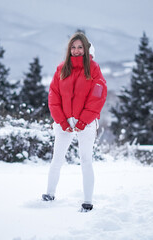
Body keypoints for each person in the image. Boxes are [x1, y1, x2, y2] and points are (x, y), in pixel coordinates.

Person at [42, 32, 107, 212]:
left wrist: (83, 121)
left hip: (85, 123)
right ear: (69, 49)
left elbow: (98, 96)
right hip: (64, 123)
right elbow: (53, 97)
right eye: (73, 47)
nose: (76, 50)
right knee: (57, 159)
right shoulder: (61, 69)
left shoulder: (93, 69)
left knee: (86, 160)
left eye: (80, 47)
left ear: (86, 49)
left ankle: (87, 201)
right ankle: (49, 194)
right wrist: (62, 121)